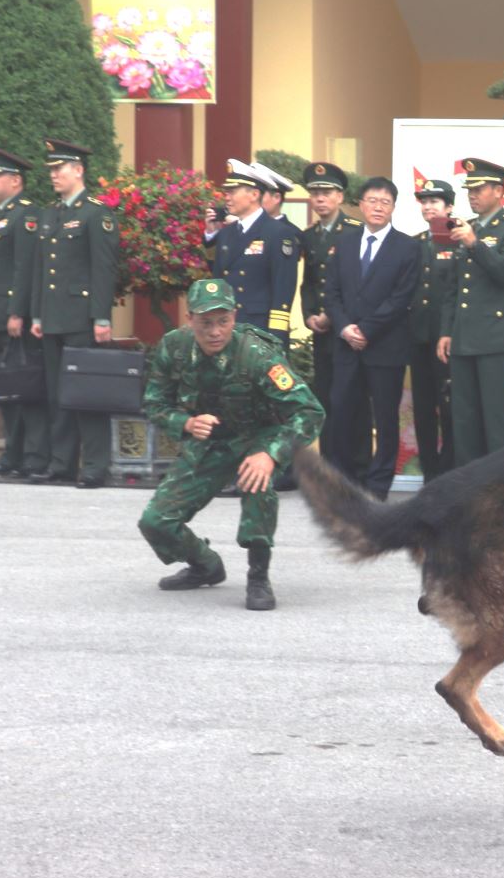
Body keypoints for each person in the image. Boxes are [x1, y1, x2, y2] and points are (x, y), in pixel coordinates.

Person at [138, 278, 325, 610]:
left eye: (223, 321)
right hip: (209, 442)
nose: (215, 331)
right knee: (155, 522)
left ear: (234, 318)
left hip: (258, 436)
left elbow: (310, 411)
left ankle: (258, 576)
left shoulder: (257, 355)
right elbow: (154, 403)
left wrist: (271, 454)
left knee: (257, 480)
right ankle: (204, 565)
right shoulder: (173, 347)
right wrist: (186, 423)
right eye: (206, 322)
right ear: (190, 319)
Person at [30, 138, 118, 488]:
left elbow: (104, 269)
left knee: (87, 391)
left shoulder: (96, 213)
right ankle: (62, 462)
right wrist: (37, 314)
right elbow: (41, 270)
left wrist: (101, 317)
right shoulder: (51, 214)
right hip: (53, 317)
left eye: (59, 169)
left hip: (82, 318)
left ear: (78, 171)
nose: (53, 175)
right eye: (51, 169)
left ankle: (95, 465)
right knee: (57, 394)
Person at [324, 177, 420, 498]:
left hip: (386, 346)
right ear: (361, 204)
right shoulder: (345, 242)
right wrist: (344, 327)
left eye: (385, 202)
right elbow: (332, 292)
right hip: (346, 344)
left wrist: (366, 329)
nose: (378, 207)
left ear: (393, 207)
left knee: (385, 416)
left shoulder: (408, 247)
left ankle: (378, 484)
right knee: (343, 412)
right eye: (372, 200)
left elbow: (401, 297)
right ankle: (345, 478)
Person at [436, 157, 504, 465]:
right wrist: (446, 332)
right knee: (464, 419)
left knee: (498, 417)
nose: (472, 195)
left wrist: (476, 245)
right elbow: (454, 287)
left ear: (499, 191)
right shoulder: (467, 228)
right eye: (469, 190)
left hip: (496, 338)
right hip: (463, 338)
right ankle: (469, 488)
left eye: (479, 189)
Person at [0, 147, 48, 478]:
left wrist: (17, 312)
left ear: (15, 180)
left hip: (13, 317)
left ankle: (32, 457)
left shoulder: (25, 215)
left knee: (26, 388)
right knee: (6, 390)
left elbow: (24, 268)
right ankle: (12, 455)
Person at [298, 162, 363, 446]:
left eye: (326, 192)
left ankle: (354, 464)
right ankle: (329, 460)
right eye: (314, 193)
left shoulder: (354, 231)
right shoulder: (309, 235)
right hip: (320, 331)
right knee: (324, 396)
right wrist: (310, 315)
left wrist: (331, 315)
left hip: (348, 328)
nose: (320, 199)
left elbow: (358, 284)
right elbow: (309, 282)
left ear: (340, 196)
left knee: (351, 397)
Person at [209, 159, 299, 347]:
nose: (226, 197)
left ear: (254, 194)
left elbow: (283, 289)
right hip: (228, 331)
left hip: (260, 331)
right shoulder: (226, 233)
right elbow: (217, 279)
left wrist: (275, 337)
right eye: (226, 192)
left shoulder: (278, 233)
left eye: (232, 192)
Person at [410, 178, 457, 479]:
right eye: (424, 201)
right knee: (423, 409)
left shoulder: (457, 239)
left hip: (448, 340)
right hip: (417, 338)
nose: (428, 206)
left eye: (435, 201)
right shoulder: (414, 242)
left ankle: (449, 471)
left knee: (449, 408)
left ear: (449, 207)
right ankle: (429, 474)